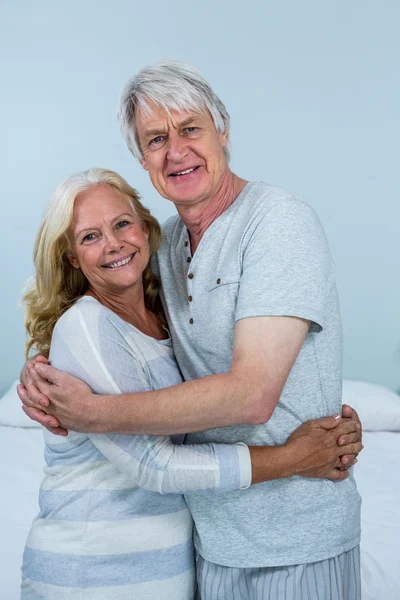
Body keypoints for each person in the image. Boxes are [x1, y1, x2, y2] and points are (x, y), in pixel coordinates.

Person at [20, 61, 362, 599]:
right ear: (142, 160)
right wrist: (39, 373)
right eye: (156, 138)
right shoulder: (167, 250)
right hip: (209, 545)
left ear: (223, 131)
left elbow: (252, 396)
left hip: (295, 536)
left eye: (191, 128)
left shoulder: (278, 222)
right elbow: (99, 320)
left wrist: (95, 414)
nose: (176, 151)